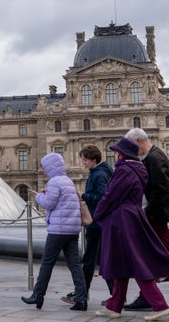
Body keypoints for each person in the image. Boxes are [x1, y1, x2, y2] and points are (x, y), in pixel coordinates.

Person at [93, 137, 169, 320]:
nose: (115, 154)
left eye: (116, 151)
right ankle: (114, 306)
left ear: (121, 153)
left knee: (135, 263)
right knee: (122, 263)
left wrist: (97, 214)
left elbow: (111, 196)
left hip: (121, 221)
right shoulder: (139, 169)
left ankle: (159, 305)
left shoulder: (124, 170)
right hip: (132, 217)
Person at [21, 153, 87, 311]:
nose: (43, 171)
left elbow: (49, 204)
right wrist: (47, 194)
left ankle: (38, 296)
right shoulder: (68, 181)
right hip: (72, 230)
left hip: (58, 230)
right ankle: (81, 299)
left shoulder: (54, 182)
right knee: (75, 265)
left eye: (45, 168)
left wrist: (38, 197)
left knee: (46, 264)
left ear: (51, 167)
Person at [122, 128, 169, 311]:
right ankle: (146, 297)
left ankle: (147, 298)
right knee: (148, 254)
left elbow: (161, 190)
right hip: (153, 213)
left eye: (133, 146)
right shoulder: (150, 157)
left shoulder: (155, 158)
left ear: (140, 141)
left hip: (155, 215)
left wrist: (148, 212)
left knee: (147, 253)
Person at [61, 145, 113, 305]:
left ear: (92, 159)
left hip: (97, 222)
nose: (82, 162)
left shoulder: (99, 174)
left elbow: (103, 196)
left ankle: (82, 294)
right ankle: (112, 294)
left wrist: (83, 195)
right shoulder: (99, 172)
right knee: (98, 259)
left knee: (92, 260)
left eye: (84, 159)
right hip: (99, 222)